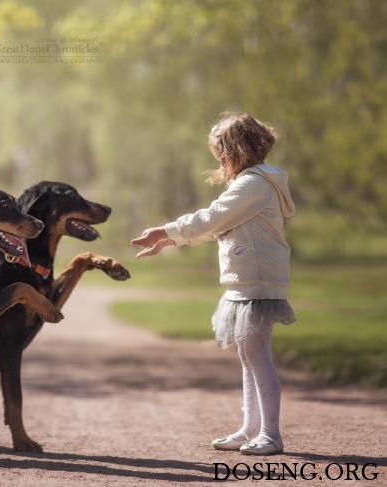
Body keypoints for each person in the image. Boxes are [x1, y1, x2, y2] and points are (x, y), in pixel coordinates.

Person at [131, 112, 296, 455]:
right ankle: (252, 428)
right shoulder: (252, 183)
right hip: (245, 281)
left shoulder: (254, 184)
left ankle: (271, 433)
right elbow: (216, 226)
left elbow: (212, 216)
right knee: (247, 354)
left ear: (238, 149)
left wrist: (166, 229)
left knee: (257, 353)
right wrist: (172, 240)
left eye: (222, 151)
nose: (219, 159)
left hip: (258, 281)